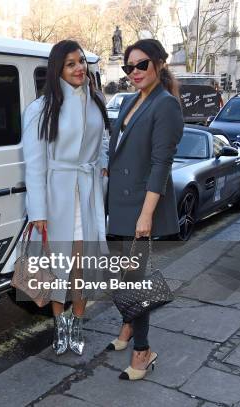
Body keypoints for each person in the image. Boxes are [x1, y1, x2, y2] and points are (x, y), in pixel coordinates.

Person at [22, 40, 110, 356]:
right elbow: (34, 164)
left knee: (82, 265)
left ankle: (78, 324)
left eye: (82, 61)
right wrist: (38, 211)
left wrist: (102, 170)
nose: (79, 68)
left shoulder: (96, 102)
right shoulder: (40, 109)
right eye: (71, 63)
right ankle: (61, 327)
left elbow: (103, 143)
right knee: (58, 266)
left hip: (87, 195)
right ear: (58, 68)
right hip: (56, 196)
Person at [103, 39, 183, 380]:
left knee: (135, 282)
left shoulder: (166, 105)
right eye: (129, 67)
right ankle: (127, 330)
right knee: (124, 276)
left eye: (142, 65)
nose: (134, 72)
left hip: (140, 207)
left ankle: (143, 351)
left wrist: (147, 214)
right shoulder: (132, 101)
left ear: (160, 63)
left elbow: (160, 164)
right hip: (119, 204)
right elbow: (121, 148)